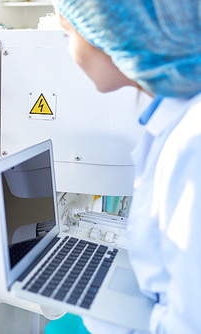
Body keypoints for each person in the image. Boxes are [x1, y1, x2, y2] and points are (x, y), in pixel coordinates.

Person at [54, 0, 201, 333]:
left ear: (108, 30)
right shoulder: (176, 121)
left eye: (69, 33)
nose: (70, 51)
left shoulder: (193, 145)